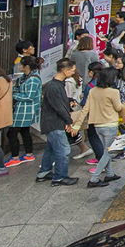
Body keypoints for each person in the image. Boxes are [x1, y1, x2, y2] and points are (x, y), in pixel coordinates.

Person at [36, 58, 79, 186]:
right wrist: (69, 121)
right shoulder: (54, 87)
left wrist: (69, 100)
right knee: (63, 150)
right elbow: (59, 107)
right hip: (54, 123)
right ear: (65, 70)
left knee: (51, 149)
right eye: (72, 70)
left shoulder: (56, 85)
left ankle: (44, 172)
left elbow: (60, 102)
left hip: (51, 122)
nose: (73, 72)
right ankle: (59, 177)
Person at [85, 68, 125, 188]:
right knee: (109, 153)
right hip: (110, 125)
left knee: (105, 151)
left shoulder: (93, 91)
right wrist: (124, 108)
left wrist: (77, 124)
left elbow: (86, 108)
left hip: (98, 126)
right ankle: (94, 179)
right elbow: (118, 108)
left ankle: (109, 173)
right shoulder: (113, 92)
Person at [5, 56, 43, 165]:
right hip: (22, 109)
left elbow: (29, 96)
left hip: (25, 110)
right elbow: (18, 87)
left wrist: (13, 95)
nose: (19, 67)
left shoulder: (33, 79)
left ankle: (15, 157)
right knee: (24, 131)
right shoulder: (25, 77)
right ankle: (29, 154)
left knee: (11, 133)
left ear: (27, 66)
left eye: (21, 65)